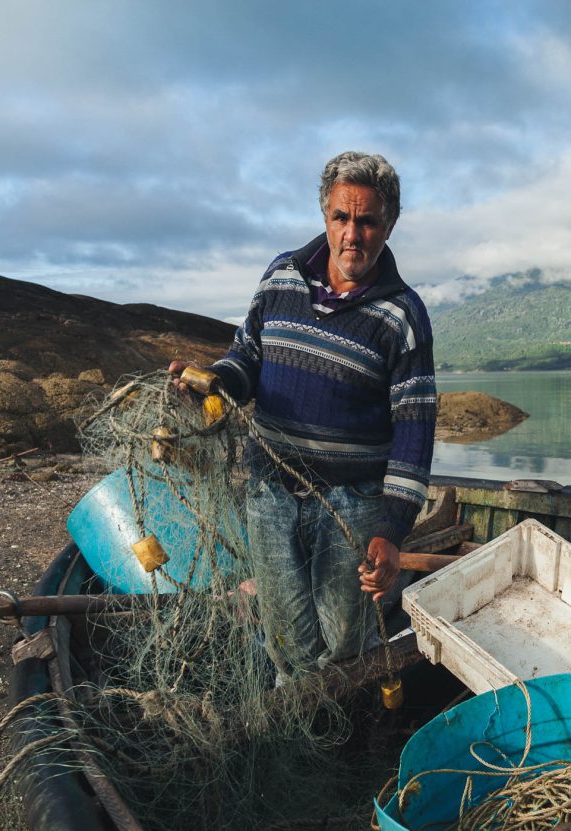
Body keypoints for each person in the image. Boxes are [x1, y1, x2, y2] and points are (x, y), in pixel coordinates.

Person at [170, 151, 436, 680]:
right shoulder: (281, 277)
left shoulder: (403, 316)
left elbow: (414, 430)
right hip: (270, 491)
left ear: (389, 225)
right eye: (342, 217)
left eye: (367, 221)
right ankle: (297, 725)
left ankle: (344, 725)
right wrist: (213, 384)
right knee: (287, 635)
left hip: (351, 502)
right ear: (325, 217)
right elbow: (246, 356)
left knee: (342, 643)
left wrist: (392, 529)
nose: (352, 235)